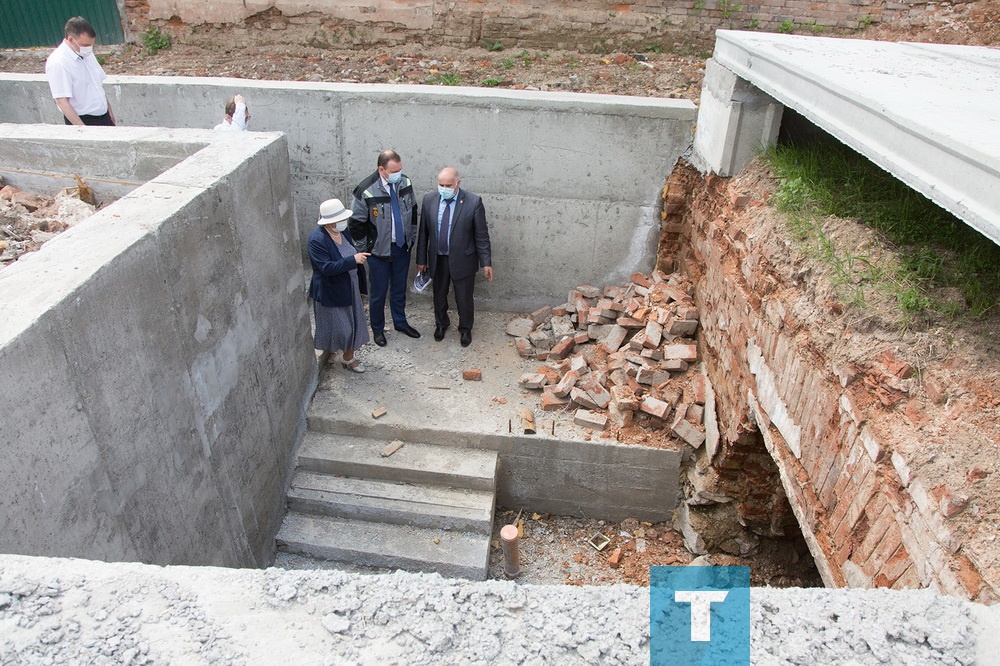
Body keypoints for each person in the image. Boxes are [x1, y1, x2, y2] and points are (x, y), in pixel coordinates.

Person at [348, 149, 421, 347]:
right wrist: (365, 249)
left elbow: (413, 212)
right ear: (382, 169)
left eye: (400, 169)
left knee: (399, 289)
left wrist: (411, 239)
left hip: (401, 248)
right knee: (378, 294)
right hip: (378, 253)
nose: (399, 174)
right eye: (394, 171)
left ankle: (400, 322)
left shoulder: (405, 183)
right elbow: (355, 223)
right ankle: (378, 329)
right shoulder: (366, 190)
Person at [416, 167, 493, 347]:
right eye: (441, 185)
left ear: (458, 183)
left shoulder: (473, 202)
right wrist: (421, 259)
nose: (444, 188)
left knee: (464, 298)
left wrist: (486, 262)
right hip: (438, 259)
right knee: (439, 295)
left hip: (463, 260)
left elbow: (481, 235)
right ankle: (441, 324)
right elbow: (423, 233)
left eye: (448, 185)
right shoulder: (429, 200)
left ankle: (465, 329)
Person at [308, 198, 371, 373]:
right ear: (329, 222)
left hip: (350, 286)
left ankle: (348, 358)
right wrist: (353, 260)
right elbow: (326, 268)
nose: (344, 222)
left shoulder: (343, 233)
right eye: (340, 219)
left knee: (356, 324)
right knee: (344, 329)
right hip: (332, 291)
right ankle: (341, 353)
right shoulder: (317, 240)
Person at [45, 17, 116, 126]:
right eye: (85, 45)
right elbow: (62, 102)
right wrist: (82, 129)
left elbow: (96, 85)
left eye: (91, 45)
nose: (89, 48)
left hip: (104, 117)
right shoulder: (59, 63)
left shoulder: (86, 54)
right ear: (71, 40)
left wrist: (109, 111)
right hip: (84, 120)